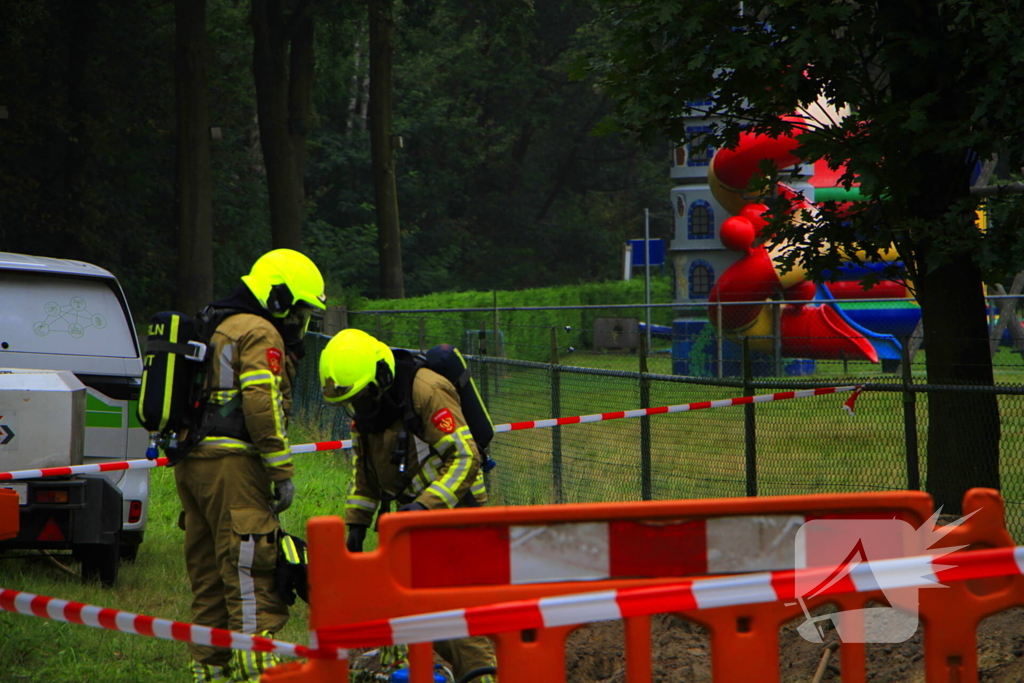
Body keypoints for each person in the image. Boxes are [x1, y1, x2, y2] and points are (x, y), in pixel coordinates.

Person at [175, 248, 326, 683]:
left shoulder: (217, 321)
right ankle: (258, 666)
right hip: (234, 466)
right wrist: (280, 469)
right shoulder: (260, 332)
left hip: (193, 463)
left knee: (207, 571)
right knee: (250, 565)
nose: (298, 322)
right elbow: (261, 403)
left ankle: (207, 669)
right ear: (277, 299)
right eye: (297, 311)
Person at [319, 329, 498, 683]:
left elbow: (465, 457)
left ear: (382, 377)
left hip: (455, 508)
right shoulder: (370, 405)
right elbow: (366, 473)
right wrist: (357, 523)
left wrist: (426, 507)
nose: (358, 409)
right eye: (351, 403)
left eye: (361, 399)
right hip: (410, 517)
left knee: (450, 604)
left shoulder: (425, 390)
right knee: (412, 601)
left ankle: (483, 675)